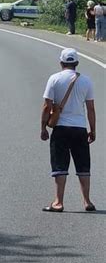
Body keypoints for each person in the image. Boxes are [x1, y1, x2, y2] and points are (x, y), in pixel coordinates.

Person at [40, 48, 96, 212]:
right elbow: (91, 109)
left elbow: (46, 106)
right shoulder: (86, 81)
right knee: (83, 165)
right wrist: (93, 130)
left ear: (61, 62)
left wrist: (43, 128)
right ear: (76, 63)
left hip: (60, 128)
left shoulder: (54, 79)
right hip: (79, 128)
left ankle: (58, 202)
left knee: (60, 165)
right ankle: (87, 201)